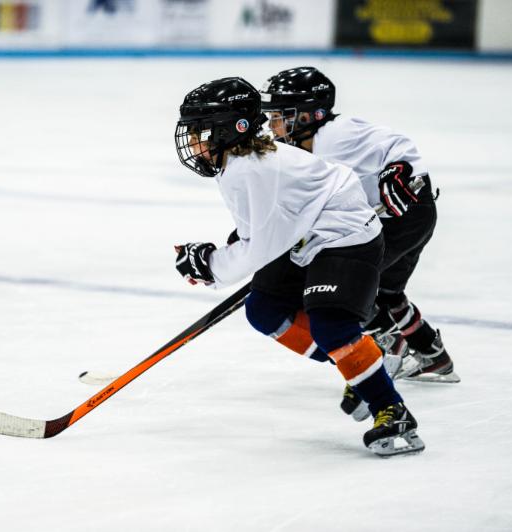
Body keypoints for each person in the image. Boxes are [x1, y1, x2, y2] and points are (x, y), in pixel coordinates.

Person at [173, 76, 424, 457]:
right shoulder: (239, 162)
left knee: (331, 326)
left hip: (346, 238)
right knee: (264, 309)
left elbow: (259, 248)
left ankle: (392, 413)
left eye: (200, 132)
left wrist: (210, 265)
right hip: (308, 237)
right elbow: (260, 231)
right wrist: (214, 258)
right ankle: (363, 363)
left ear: (232, 129)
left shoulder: (249, 170)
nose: (193, 143)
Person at [259, 67, 460, 405]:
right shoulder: (304, 148)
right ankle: (432, 355)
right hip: (409, 215)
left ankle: (385, 345)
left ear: (311, 114)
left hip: (402, 216)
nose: (272, 125)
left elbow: (398, 143)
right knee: (387, 291)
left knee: (345, 285)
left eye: (280, 116)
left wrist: (398, 168)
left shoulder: (337, 134)